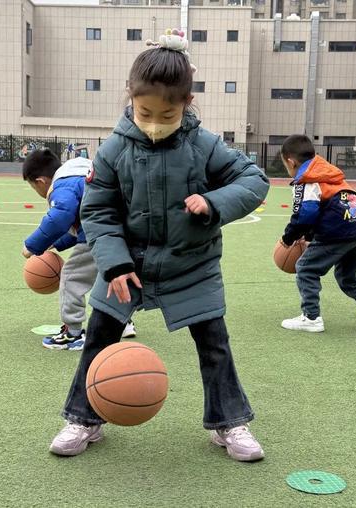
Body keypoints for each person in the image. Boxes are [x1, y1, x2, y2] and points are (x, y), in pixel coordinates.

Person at [48, 29, 270, 462]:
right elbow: (98, 212)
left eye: (165, 114)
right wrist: (113, 265)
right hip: (128, 266)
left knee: (214, 344)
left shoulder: (205, 146)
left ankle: (229, 423)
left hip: (193, 265)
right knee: (99, 336)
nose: (153, 123)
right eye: (144, 111)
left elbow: (254, 181)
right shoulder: (112, 150)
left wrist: (211, 201)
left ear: (186, 104)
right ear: (130, 97)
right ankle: (84, 417)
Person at [21, 149, 136, 351]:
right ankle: (121, 322)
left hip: (100, 234)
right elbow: (79, 225)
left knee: (72, 276)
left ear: (40, 181)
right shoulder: (83, 175)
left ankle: (73, 332)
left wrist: (32, 245)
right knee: (110, 276)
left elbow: (60, 217)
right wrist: (55, 243)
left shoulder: (63, 184)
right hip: (123, 232)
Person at [278, 134, 356, 333]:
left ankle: (311, 318)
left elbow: (306, 213)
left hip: (340, 229)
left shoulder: (307, 180)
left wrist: (288, 238)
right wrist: (310, 236)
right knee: (347, 276)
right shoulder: (330, 175)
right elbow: (329, 206)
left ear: (291, 161)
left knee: (306, 268)